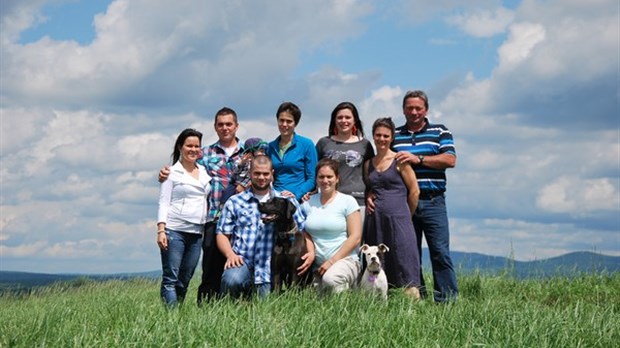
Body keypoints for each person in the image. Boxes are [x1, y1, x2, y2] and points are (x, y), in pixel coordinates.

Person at [158, 107, 244, 304]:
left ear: (236, 126)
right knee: (211, 270)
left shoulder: (248, 153)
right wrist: (165, 174)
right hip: (213, 219)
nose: (225, 128)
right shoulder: (205, 154)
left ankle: (236, 307)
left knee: (240, 267)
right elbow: (184, 167)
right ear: (215, 127)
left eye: (229, 124)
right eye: (220, 124)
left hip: (241, 221)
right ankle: (206, 309)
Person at [392, 90, 458, 302]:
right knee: (410, 253)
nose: (414, 112)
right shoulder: (396, 134)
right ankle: (417, 297)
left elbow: (450, 160)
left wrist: (418, 158)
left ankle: (446, 301)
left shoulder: (440, 131)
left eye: (418, 108)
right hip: (405, 202)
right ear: (403, 110)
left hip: (433, 200)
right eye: (409, 108)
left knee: (439, 251)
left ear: (426, 109)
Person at [216, 155, 310, 298]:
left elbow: (302, 229)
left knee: (266, 306)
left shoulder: (285, 200)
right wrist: (230, 255)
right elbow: (222, 234)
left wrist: (311, 252)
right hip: (243, 261)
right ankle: (234, 307)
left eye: (265, 173)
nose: (261, 177)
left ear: (272, 174)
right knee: (231, 280)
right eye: (257, 173)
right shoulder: (235, 202)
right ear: (250, 173)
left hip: (270, 268)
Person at [363, 117, 421, 299]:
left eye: (386, 136)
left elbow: (414, 191)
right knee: (377, 261)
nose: (381, 139)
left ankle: (412, 304)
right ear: (373, 136)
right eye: (378, 135)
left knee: (404, 259)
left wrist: (405, 214)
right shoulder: (368, 164)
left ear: (392, 137)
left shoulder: (400, 160)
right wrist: (368, 196)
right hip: (375, 220)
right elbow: (369, 187)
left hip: (399, 219)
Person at [156, 128, 211, 307]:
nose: (193, 149)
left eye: (197, 146)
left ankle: (177, 314)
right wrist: (161, 230)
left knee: (185, 278)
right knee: (171, 278)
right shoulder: (171, 172)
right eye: (189, 146)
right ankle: (171, 318)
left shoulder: (204, 171)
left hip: (196, 232)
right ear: (180, 147)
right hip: (174, 230)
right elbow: (164, 202)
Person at [302, 158, 362, 294]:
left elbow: (356, 237)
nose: (325, 180)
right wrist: (311, 252)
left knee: (331, 279)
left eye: (329, 176)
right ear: (316, 179)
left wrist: (332, 262)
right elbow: (304, 232)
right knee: (312, 298)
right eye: (321, 177)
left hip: (345, 260)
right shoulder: (308, 203)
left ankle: (345, 308)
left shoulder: (348, 201)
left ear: (337, 178)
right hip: (318, 265)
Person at [315, 102, 374, 213]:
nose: (343, 121)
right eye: (340, 117)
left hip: (358, 200)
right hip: (329, 199)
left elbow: (372, 172)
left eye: (348, 117)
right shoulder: (324, 143)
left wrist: (372, 192)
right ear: (334, 120)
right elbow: (314, 171)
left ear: (354, 120)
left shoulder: (365, 144)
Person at [267, 102, 318, 201]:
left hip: (298, 200)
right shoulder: (270, 147)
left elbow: (312, 178)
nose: (284, 124)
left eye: (289, 121)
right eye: (281, 120)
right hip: (275, 199)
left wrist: (296, 194)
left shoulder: (307, 145)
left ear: (296, 123)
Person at [220, 137, 268, 203]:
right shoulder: (243, 162)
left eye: (264, 151)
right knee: (226, 194)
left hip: (248, 188)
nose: (263, 154)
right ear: (251, 153)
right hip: (235, 186)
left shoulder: (263, 165)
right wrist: (241, 164)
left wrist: (243, 185)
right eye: (261, 151)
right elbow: (233, 176)